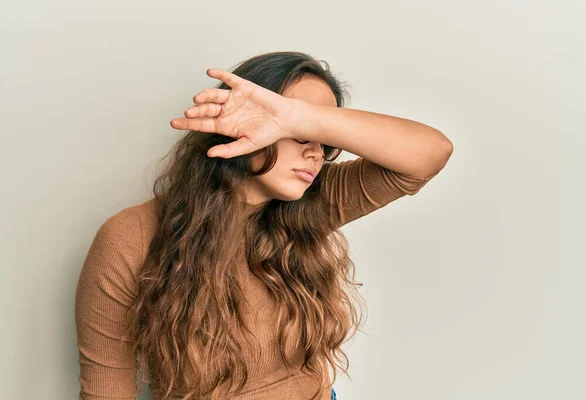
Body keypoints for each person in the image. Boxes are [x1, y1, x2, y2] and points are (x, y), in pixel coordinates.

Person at [75, 51, 453, 400]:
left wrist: (301, 119)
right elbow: (108, 389)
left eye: (325, 140)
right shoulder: (131, 237)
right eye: (297, 131)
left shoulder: (312, 203)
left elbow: (431, 153)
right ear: (240, 120)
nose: (316, 153)